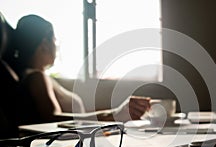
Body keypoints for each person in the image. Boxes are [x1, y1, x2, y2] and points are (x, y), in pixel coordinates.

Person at [12, 14, 150, 125]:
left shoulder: (39, 77)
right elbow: (52, 119)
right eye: (54, 40)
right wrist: (114, 114)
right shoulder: (37, 77)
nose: (57, 47)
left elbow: (75, 116)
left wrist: (114, 113)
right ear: (44, 45)